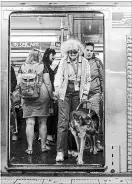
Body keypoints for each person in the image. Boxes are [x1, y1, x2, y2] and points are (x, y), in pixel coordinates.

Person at [54, 39, 91, 162]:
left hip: (78, 93)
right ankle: (60, 151)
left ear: (79, 51)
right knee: (63, 122)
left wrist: (85, 93)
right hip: (65, 93)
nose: (72, 55)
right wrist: (58, 89)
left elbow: (87, 79)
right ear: (67, 52)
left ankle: (74, 150)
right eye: (70, 52)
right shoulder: (63, 62)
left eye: (74, 52)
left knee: (77, 123)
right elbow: (58, 77)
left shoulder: (85, 62)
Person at [17, 49, 52, 154]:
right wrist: (52, 95)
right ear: (39, 56)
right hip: (42, 96)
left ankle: (30, 148)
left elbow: (19, 84)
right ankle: (43, 146)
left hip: (27, 97)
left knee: (30, 122)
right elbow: (48, 83)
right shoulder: (43, 66)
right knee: (42, 122)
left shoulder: (22, 67)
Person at [83, 42, 104, 153]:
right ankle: (87, 143)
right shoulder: (79, 61)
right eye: (87, 50)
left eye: (91, 50)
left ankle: (97, 143)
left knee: (95, 120)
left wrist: (103, 93)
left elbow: (102, 78)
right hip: (83, 96)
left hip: (95, 94)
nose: (89, 52)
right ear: (83, 50)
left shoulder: (97, 62)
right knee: (85, 120)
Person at [42, 48, 58, 145]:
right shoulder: (46, 66)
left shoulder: (45, 65)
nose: (54, 57)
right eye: (53, 55)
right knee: (49, 116)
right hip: (47, 94)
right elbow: (48, 83)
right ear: (48, 55)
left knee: (46, 116)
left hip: (45, 94)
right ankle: (48, 137)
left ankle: (45, 137)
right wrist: (52, 95)